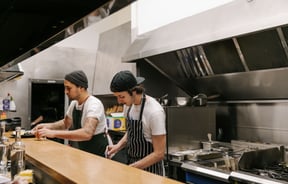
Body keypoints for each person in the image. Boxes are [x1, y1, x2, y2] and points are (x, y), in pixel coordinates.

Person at [32, 70, 109, 157]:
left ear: (81, 88)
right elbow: (65, 123)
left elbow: (87, 133)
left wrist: (53, 133)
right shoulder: (74, 104)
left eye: (69, 88)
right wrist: (46, 126)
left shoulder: (94, 104)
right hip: (85, 153)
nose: (65, 91)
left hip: (99, 155)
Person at [106, 70, 167, 176]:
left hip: (151, 172)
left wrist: (132, 168)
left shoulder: (154, 112)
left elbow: (159, 153)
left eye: (121, 96)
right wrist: (118, 146)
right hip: (133, 166)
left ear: (133, 91)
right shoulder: (128, 106)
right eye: (117, 97)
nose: (119, 101)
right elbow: (131, 131)